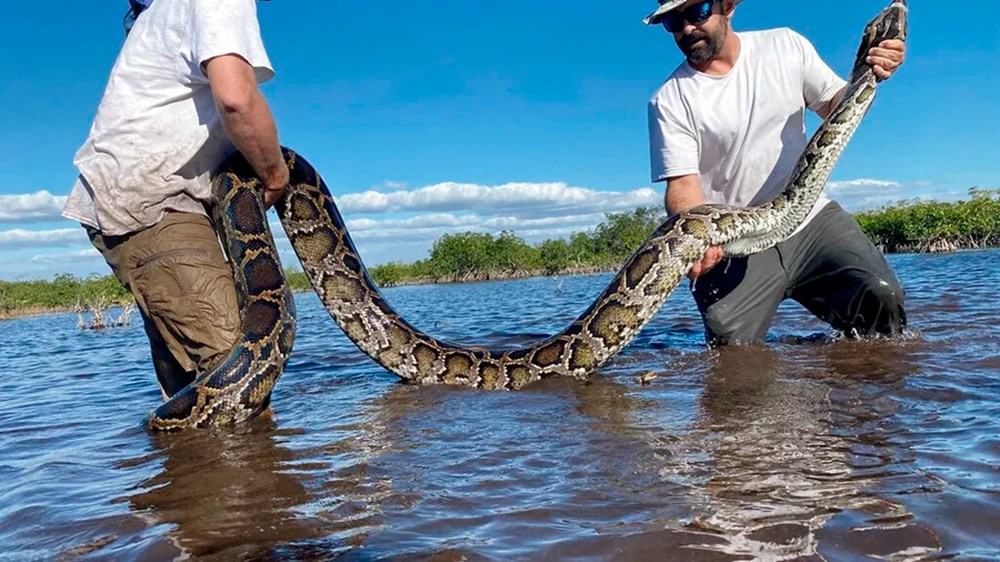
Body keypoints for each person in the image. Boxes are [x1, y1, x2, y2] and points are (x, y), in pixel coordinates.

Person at [644, 0, 908, 345]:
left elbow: (835, 107)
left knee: (881, 297)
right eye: (673, 22)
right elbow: (682, 187)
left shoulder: (785, 44)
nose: (687, 27)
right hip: (732, 242)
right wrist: (698, 239)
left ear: (727, 7)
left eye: (697, 12)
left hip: (810, 220)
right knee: (730, 351)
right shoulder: (668, 100)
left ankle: (868, 392)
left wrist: (871, 71)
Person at [62, 0, 288, 400]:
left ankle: (184, 463)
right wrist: (274, 174)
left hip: (135, 200)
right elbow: (236, 98)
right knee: (237, 372)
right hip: (157, 203)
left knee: (191, 388)